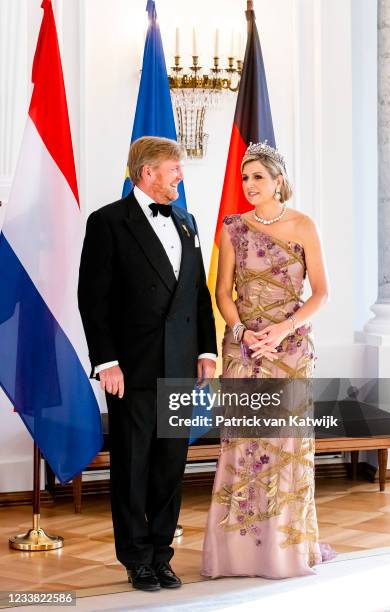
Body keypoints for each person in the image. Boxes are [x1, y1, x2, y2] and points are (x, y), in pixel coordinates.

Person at [78, 136, 217, 591]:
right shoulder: (107, 223)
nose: (181, 176)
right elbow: (92, 301)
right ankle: (135, 558)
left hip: (179, 368)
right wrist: (106, 362)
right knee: (133, 467)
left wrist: (206, 352)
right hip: (130, 369)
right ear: (147, 172)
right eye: (174, 168)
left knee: (169, 467)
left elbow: (198, 293)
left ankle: (161, 554)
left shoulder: (187, 221)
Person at [201, 141, 335, 579]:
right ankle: (237, 554)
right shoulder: (233, 227)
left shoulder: (303, 226)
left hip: (289, 350)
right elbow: (223, 292)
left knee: (285, 446)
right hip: (243, 348)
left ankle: (283, 552)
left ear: (279, 181)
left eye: (258, 176)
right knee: (241, 445)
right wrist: (242, 332)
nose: (249, 184)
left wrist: (281, 329)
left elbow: (320, 293)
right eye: (245, 177)